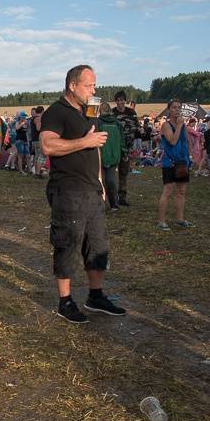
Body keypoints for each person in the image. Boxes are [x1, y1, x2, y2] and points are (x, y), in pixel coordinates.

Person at [40, 65, 126, 324]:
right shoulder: (56, 112)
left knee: (97, 246)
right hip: (68, 190)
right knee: (68, 244)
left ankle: (96, 296)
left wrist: (100, 182)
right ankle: (65, 302)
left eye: (94, 85)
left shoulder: (90, 112)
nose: (94, 90)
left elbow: (96, 147)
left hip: (91, 190)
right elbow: (46, 145)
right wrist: (83, 142)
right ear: (72, 86)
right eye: (89, 85)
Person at [156, 99, 194, 230]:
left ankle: (180, 219)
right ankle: (161, 221)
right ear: (169, 109)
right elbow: (172, 141)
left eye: (179, 108)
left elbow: (188, 141)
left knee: (181, 191)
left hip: (183, 162)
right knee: (167, 191)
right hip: (170, 163)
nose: (177, 110)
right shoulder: (166, 125)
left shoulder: (182, 125)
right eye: (174, 107)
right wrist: (178, 126)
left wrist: (189, 156)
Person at [111, 91, 138, 205]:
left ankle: (122, 198)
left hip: (127, 147)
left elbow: (137, 126)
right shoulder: (112, 113)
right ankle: (111, 198)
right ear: (116, 101)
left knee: (123, 173)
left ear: (125, 101)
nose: (120, 102)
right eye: (118, 100)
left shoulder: (131, 112)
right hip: (114, 146)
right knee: (111, 173)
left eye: (122, 100)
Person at [98, 102, 123, 211]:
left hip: (100, 154)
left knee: (100, 180)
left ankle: (103, 204)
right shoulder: (117, 123)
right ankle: (113, 204)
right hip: (113, 155)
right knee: (110, 180)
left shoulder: (97, 122)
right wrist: (124, 152)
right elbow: (122, 140)